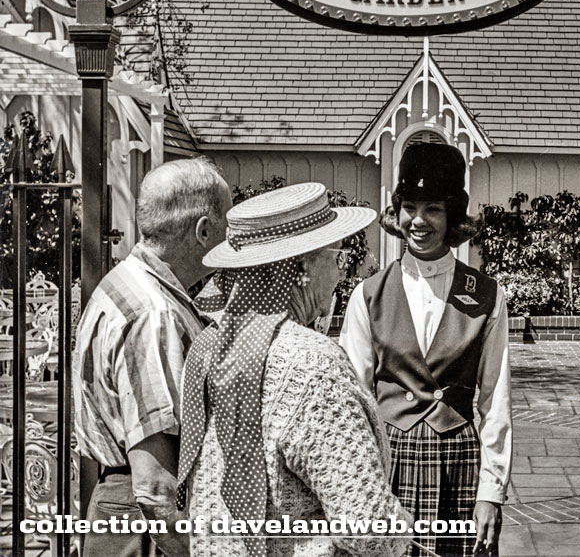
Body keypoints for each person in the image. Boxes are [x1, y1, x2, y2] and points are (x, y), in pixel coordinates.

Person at [177, 182, 410, 557]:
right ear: (302, 266)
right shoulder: (314, 365)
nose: (339, 273)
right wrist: (403, 527)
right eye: (337, 256)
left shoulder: (210, 346)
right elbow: (367, 529)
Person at [340, 142, 512, 557]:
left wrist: (490, 491)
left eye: (432, 208)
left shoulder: (487, 295)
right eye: (410, 207)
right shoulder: (368, 295)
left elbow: (495, 401)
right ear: (397, 213)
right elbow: (352, 402)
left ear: (452, 215)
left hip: (459, 464)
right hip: (389, 464)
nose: (419, 221)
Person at [73, 157, 233, 557]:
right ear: (203, 230)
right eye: (226, 228)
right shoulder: (152, 313)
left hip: (121, 509)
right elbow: (155, 486)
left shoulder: (127, 283)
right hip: (140, 525)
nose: (230, 242)